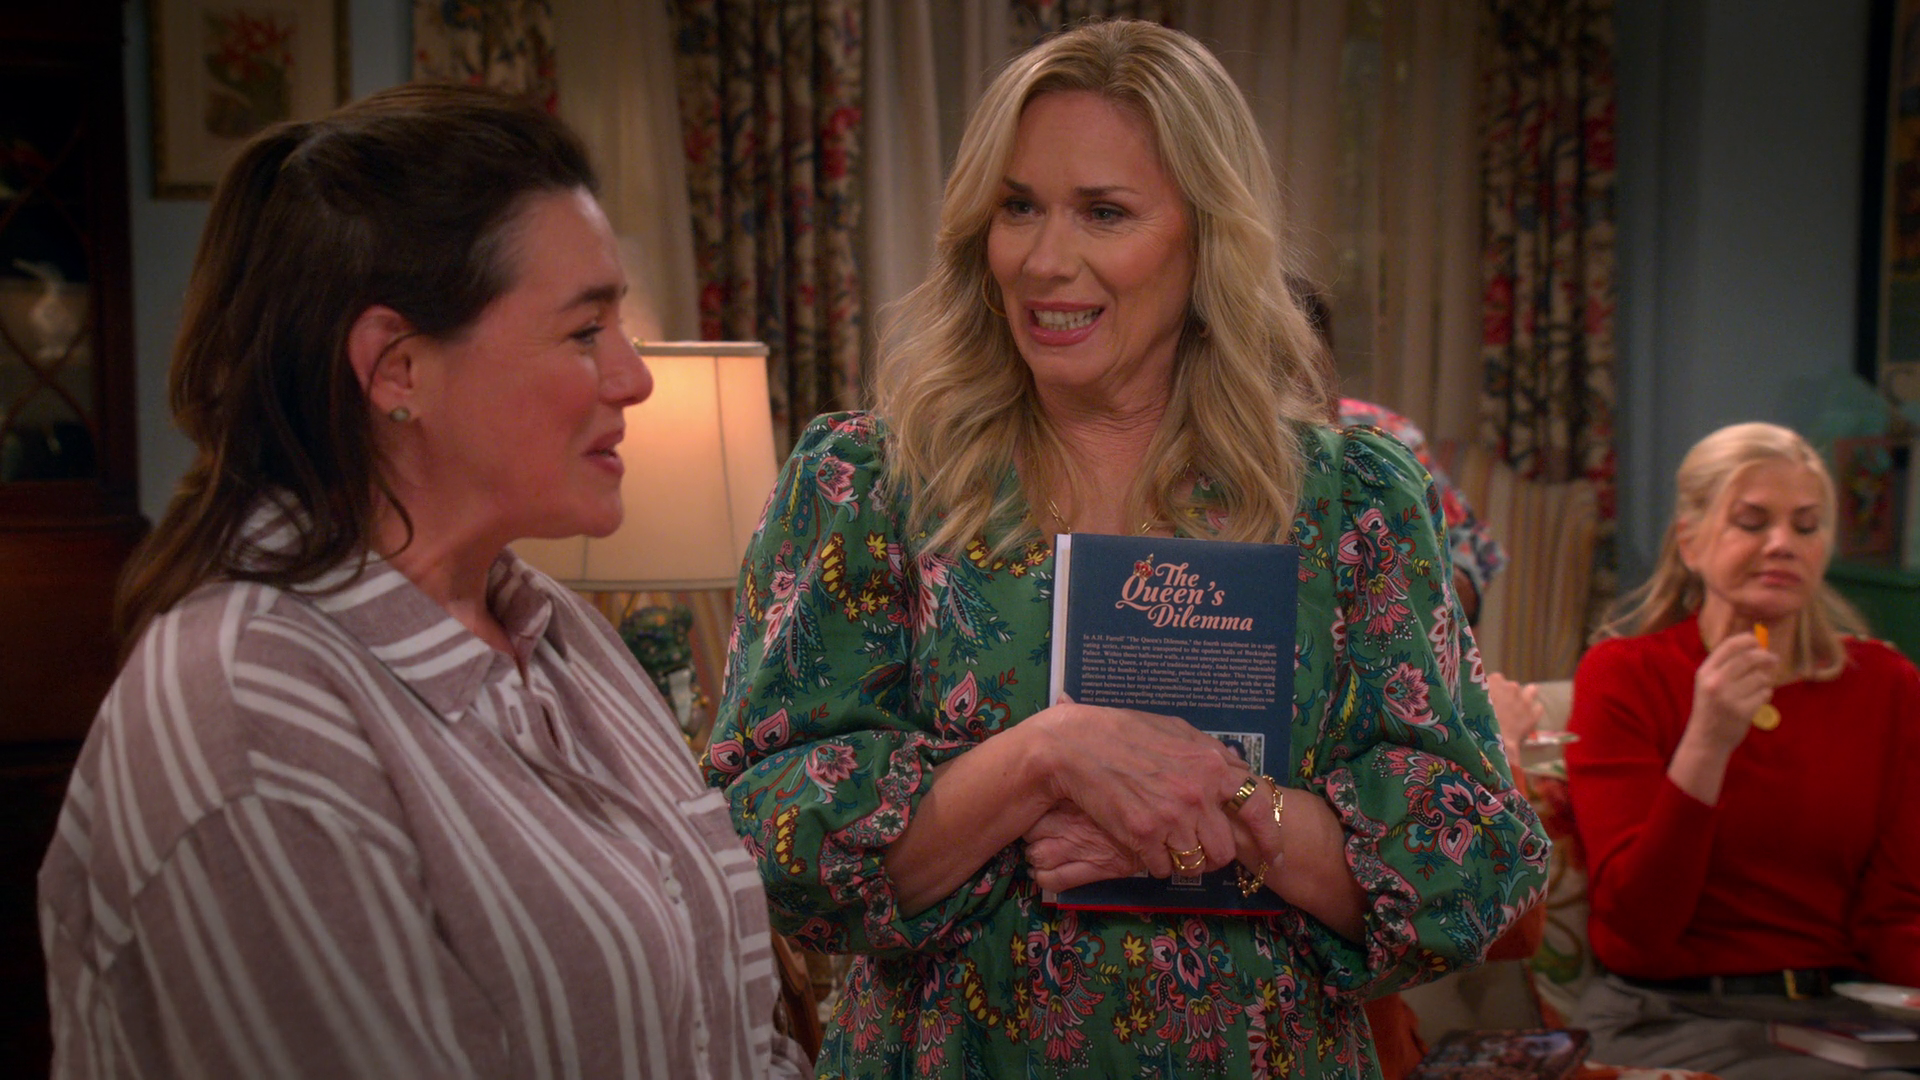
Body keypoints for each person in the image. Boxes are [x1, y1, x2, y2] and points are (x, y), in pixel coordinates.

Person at [703, 20, 1547, 1079]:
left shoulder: (1349, 501)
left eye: (1103, 212)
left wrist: (1221, 807)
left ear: (1207, 236)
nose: (1044, 260)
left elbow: (1477, 867)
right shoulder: (868, 483)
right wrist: (1043, 760)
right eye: (1018, 207)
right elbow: (756, 842)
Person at [38, 84, 809, 1079]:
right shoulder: (245, 710)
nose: (635, 376)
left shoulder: (559, 631)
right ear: (397, 369)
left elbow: (735, 1036)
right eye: (585, 332)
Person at [1564, 421, 1920, 1079]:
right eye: (1752, 522)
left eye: (1806, 526)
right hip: (1672, 1014)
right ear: (1691, 542)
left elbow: (1895, 913)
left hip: (1840, 1020)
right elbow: (1637, 933)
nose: (1783, 543)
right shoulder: (1624, 675)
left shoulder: (1888, 686)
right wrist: (1708, 742)